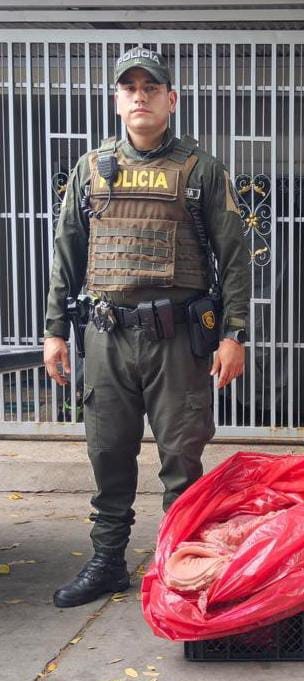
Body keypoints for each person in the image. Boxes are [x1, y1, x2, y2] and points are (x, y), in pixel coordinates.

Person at [43, 47, 250, 608]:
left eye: (151, 88)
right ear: (116, 100)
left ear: (171, 100)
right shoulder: (91, 169)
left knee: (182, 458)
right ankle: (108, 561)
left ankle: (176, 568)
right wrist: (55, 329)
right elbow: (68, 253)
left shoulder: (201, 169)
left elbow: (233, 256)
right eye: (129, 88)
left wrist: (235, 334)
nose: (140, 96)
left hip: (177, 339)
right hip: (106, 336)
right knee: (107, 451)